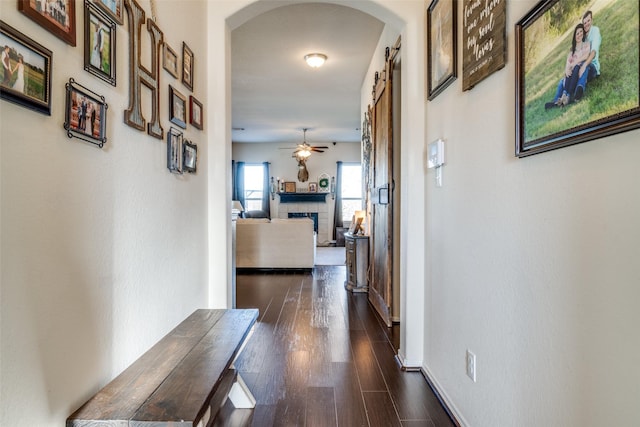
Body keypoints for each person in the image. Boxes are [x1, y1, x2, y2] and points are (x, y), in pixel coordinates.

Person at [545, 24, 591, 109]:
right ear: (575, 36)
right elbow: (567, 64)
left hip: (579, 72)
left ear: (583, 33)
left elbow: (586, 56)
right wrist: (567, 70)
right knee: (564, 79)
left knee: (576, 67)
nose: (579, 34)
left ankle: (567, 96)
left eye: (581, 32)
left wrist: (574, 63)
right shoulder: (571, 50)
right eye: (577, 33)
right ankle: (559, 99)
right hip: (571, 75)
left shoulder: (586, 44)